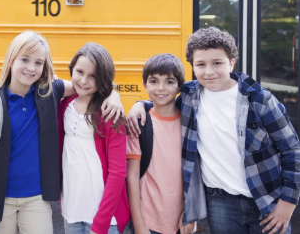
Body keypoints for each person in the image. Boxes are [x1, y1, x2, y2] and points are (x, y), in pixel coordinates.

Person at [126, 27, 300, 234]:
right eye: (201, 64)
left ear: (231, 62)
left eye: (217, 63)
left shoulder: (260, 100)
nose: (209, 71)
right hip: (219, 201)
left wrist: (288, 203)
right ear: (193, 66)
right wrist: (140, 104)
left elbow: (292, 150)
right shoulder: (191, 96)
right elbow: (162, 98)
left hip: (266, 199)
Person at [0, 31, 125, 234]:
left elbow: (89, 86)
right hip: (1, 200)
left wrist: (114, 95)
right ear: (10, 59)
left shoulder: (50, 92)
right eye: (24, 59)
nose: (31, 68)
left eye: (38, 62)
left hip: (37, 200)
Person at [57, 43, 130, 234]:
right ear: (71, 69)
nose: (84, 80)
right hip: (71, 211)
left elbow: (118, 173)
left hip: (104, 218)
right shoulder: (65, 106)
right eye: (79, 72)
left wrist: (101, 223)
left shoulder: (110, 114)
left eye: (93, 76)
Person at [125, 53, 195, 234]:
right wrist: (139, 225)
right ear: (144, 84)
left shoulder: (189, 124)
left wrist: (190, 213)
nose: (161, 88)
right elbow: (132, 177)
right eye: (154, 81)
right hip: (148, 222)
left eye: (169, 82)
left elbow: (197, 172)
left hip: (181, 222)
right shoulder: (139, 124)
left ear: (180, 86)